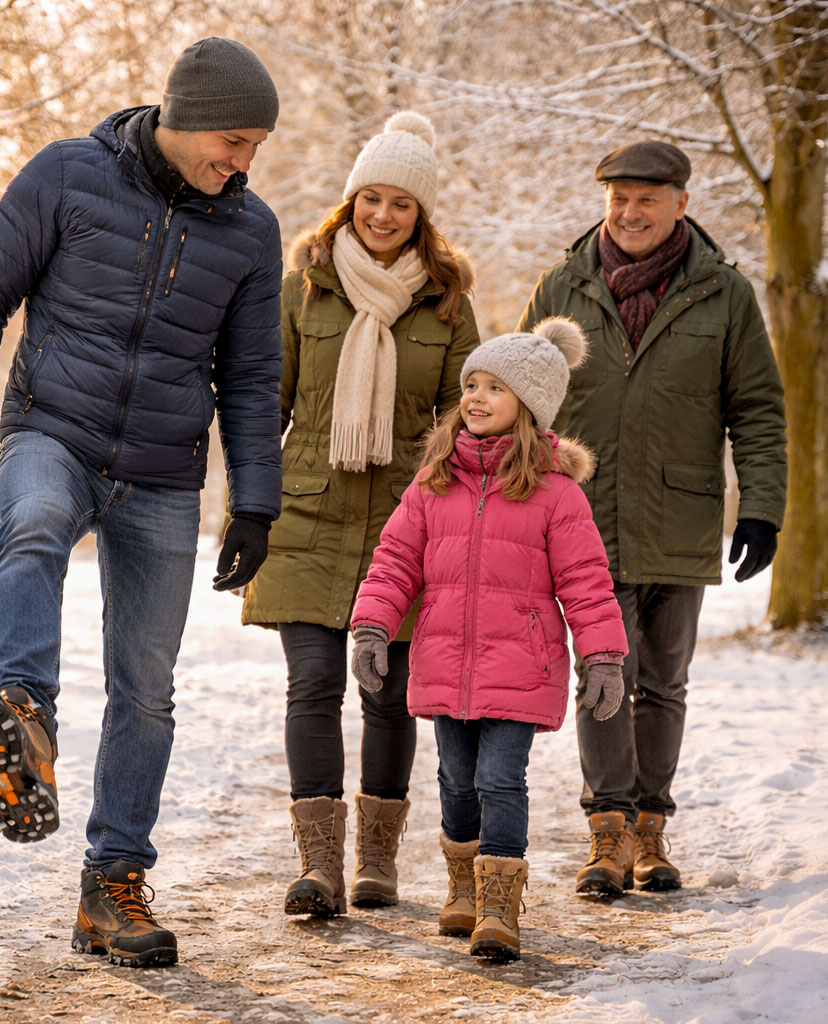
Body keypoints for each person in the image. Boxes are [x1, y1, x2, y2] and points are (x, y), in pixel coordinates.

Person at [0, 38, 284, 968]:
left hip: (165, 472)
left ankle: (112, 887)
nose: (243, 162)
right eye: (235, 141)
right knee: (34, 522)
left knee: (148, 692)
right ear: (188, 116)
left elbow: (250, 375)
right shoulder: (67, 175)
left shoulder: (251, 232)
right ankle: (19, 709)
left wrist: (257, 502)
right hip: (57, 429)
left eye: (255, 148)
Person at [516, 140, 787, 897]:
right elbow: (517, 400)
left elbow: (757, 408)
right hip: (583, 518)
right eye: (618, 199)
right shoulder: (562, 285)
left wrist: (761, 507)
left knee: (664, 680)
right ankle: (606, 834)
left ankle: (648, 833)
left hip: (680, 512)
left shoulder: (724, 294)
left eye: (647, 200)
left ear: (681, 205)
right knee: (603, 673)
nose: (630, 214)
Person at [238, 111, 480, 918]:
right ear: (350, 203)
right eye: (370, 198)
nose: (383, 215)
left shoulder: (447, 304)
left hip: (404, 527)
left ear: (422, 215)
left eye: (401, 204)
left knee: (387, 690)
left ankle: (377, 862)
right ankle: (320, 867)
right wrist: (247, 507)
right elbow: (262, 403)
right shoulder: (303, 285)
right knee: (312, 685)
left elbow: (467, 417)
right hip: (305, 515)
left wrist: (455, 511)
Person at [349, 320, 630, 961]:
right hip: (445, 660)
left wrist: (605, 658)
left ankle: (500, 906)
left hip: (521, 663)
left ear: (528, 408)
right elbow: (395, 562)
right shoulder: (433, 482)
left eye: (494, 388)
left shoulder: (556, 495)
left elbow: (587, 581)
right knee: (455, 781)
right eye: (471, 384)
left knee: (501, 780)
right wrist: (373, 626)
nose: (475, 397)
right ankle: (464, 887)